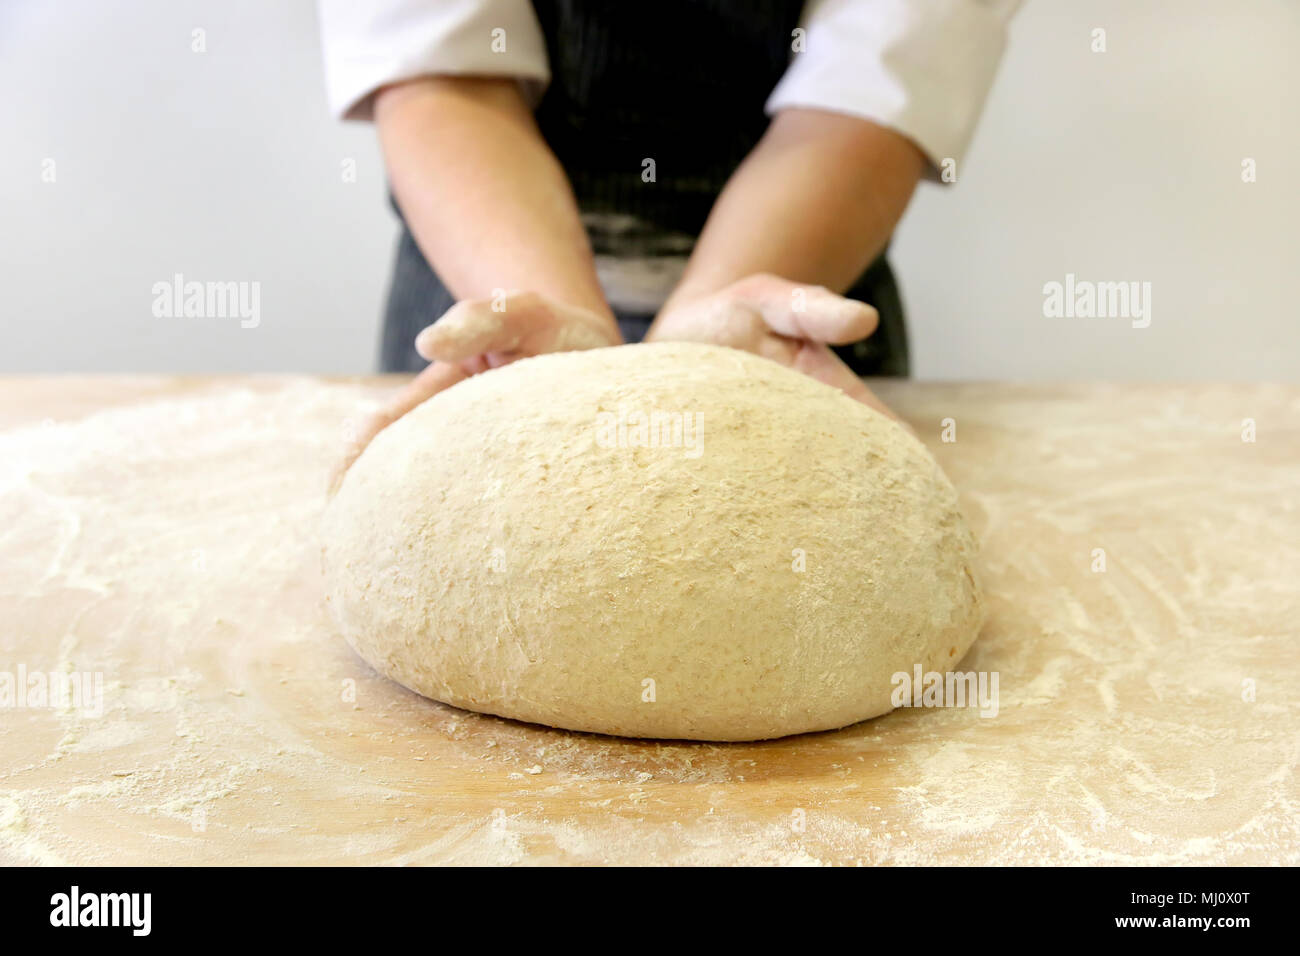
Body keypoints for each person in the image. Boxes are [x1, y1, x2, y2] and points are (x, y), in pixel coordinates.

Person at [318, 0, 1019, 475]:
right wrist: (569, 353)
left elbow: (875, 75)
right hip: (492, 305)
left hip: (789, 313)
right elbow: (441, 73)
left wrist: (699, 353)